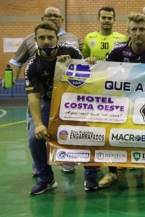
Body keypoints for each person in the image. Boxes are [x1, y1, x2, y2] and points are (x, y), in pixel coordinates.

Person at [98, 13, 145, 188]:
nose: (138, 33)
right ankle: (112, 171)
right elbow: (101, 72)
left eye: (142, 29)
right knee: (113, 134)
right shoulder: (117, 51)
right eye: (134, 29)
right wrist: (92, 62)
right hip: (124, 104)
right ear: (128, 32)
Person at [25, 21, 98, 195]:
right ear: (36, 40)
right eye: (41, 38)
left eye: (50, 37)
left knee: (90, 133)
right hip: (49, 104)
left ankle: (91, 176)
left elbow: (88, 76)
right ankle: (46, 179)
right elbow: (33, 97)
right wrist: (38, 124)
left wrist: (79, 64)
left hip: (75, 101)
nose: (46, 41)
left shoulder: (70, 51)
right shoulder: (33, 64)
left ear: (57, 38)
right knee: (34, 139)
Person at [7, 6, 81, 176]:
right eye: (49, 15)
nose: (46, 41)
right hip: (43, 99)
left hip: (68, 100)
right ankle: (42, 171)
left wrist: (77, 63)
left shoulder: (72, 42)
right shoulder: (30, 52)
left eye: (56, 16)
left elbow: (85, 68)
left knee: (74, 133)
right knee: (36, 134)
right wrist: (9, 79)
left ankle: (68, 162)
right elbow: (16, 62)